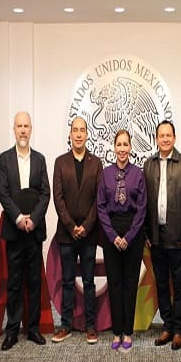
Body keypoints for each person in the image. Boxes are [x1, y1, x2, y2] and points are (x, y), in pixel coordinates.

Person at [143, 120, 181, 351]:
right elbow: (143, 202)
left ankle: (178, 330)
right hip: (156, 237)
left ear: (174, 138)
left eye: (169, 135)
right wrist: (146, 233)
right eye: (161, 135)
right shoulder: (148, 165)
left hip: (178, 238)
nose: (165, 139)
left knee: (179, 285)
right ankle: (167, 326)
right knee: (162, 285)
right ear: (156, 139)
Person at [0, 111, 50, 351]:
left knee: (34, 281)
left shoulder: (39, 159)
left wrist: (33, 219)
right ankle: (12, 331)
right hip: (14, 230)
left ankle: (33, 329)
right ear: (14, 129)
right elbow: (3, 193)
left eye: (26, 126)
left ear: (31, 129)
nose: (22, 130)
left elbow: (45, 193)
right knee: (14, 283)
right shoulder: (4, 158)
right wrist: (19, 218)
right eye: (19, 126)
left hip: (34, 232)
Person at [51, 117, 103, 345]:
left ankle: (91, 326)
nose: (79, 134)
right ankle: (66, 325)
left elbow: (99, 199)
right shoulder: (60, 162)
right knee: (68, 281)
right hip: (67, 233)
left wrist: (87, 226)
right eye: (75, 130)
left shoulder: (96, 163)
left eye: (82, 130)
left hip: (90, 233)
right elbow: (58, 198)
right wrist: (72, 226)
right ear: (70, 134)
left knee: (89, 282)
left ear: (87, 134)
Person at [97, 129, 146, 350]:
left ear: (130, 148)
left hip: (133, 232)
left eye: (126, 144)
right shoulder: (106, 174)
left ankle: (128, 332)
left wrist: (129, 236)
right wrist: (113, 236)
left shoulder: (138, 174)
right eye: (119, 144)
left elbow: (142, 208)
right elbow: (100, 207)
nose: (122, 149)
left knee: (129, 284)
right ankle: (116, 332)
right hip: (111, 232)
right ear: (114, 147)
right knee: (115, 283)